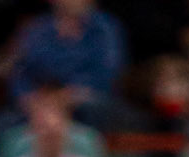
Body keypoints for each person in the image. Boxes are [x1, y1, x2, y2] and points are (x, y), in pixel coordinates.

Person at [7, 0, 129, 131]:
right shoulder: (38, 29)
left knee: (94, 109)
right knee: (4, 123)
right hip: (42, 100)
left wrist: (65, 97)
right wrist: (28, 97)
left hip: (89, 100)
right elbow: (21, 72)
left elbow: (106, 74)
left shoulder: (106, 28)